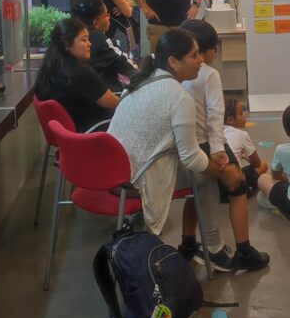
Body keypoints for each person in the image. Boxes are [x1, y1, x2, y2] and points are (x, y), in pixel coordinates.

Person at [108, 28, 270, 272]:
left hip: (116, 174)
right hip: (139, 181)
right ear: (173, 62)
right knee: (210, 176)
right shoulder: (178, 96)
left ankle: (192, 243)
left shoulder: (139, 83)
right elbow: (191, 158)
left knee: (209, 171)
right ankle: (214, 248)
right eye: (194, 55)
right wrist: (222, 171)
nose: (201, 60)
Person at [178, 18, 269, 270]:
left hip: (186, 145)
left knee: (195, 193)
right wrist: (219, 151)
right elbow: (215, 115)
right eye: (212, 48)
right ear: (201, 51)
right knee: (237, 187)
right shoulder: (209, 74)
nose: (214, 53)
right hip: (208, 143)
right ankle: (244, 250)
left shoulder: (176, 74)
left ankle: (188, 243)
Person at [34, 17, 120, 131]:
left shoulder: (48, 70)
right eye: (84, 40)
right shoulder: (81, 74)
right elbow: (115, 104)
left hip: (70, 133)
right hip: (96, 132)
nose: (90, 44)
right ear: (67, 45)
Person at [72, 0, 138, 91]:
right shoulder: (98, 39)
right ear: (95, 22)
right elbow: (122, 63)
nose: (109, 18)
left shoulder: (72, 36)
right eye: (106, 15)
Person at [224, 97, 269, 194]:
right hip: (235, 185)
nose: (244, 116)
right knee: (264, 165)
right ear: (230, 119)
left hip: (219, 184)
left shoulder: (218, 133)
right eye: (241, 114)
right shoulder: (242, 135)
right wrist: (246, 157)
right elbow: (257, 164)